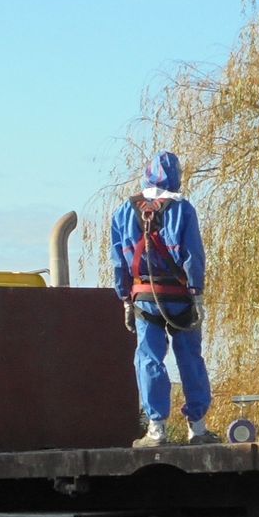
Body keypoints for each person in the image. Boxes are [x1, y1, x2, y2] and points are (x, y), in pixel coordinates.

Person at [110, 151, 217, 448]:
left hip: (144, 297)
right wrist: (197, 294)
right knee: (190, 358)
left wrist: (125, 299)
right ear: (176, 177)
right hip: (180, 297)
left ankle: (156, 430)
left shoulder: (125, 211)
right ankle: (197, 429)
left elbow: (118, 260)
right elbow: (193, 256)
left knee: (148, 358)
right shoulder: (183, 209)